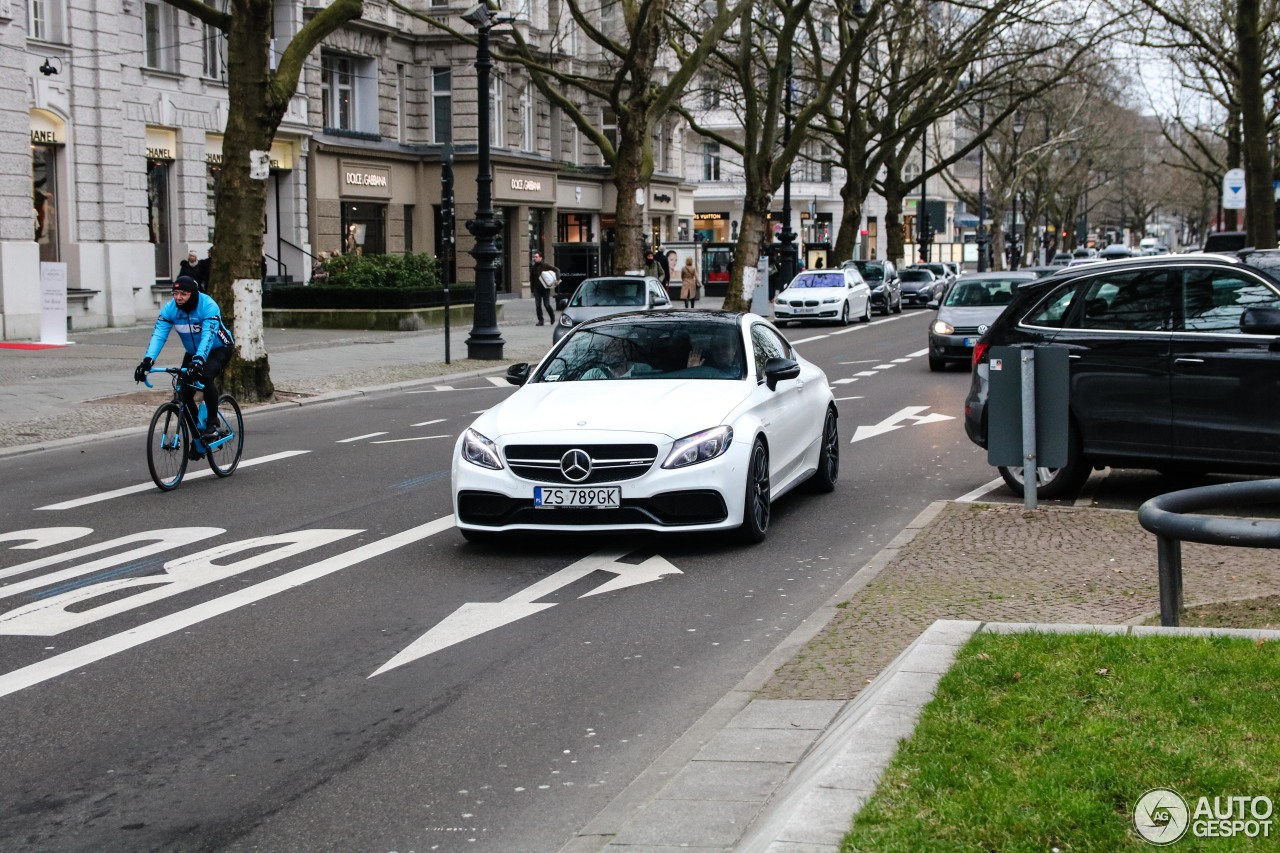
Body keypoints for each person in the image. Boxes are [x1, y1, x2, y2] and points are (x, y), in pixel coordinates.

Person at [134, 276, 235, 448]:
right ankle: (198, 437)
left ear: (193, 293)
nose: (178, 297)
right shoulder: (170, 309)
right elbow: (159, 335)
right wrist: (147, 360)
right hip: (193, 352)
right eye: (175, 293)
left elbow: (207, 337)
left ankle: (213, 422)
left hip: (218, 349)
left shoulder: (208, 306)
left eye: (184, 294)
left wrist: (199, 361)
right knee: (183, 392)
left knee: (204, 376)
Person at [530, 251, 559, 326]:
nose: (535, 258)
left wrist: (557, 280)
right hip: (537, 289)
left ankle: (552, 316)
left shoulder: (545, 265)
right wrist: (532, 289)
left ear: (540, 257)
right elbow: (532, 279)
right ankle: (540, 320)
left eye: (536, 257)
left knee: (546, 305)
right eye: (534, 257)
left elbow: (557, 270)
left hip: (545, 288)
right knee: (538, 305)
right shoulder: (533, 267)